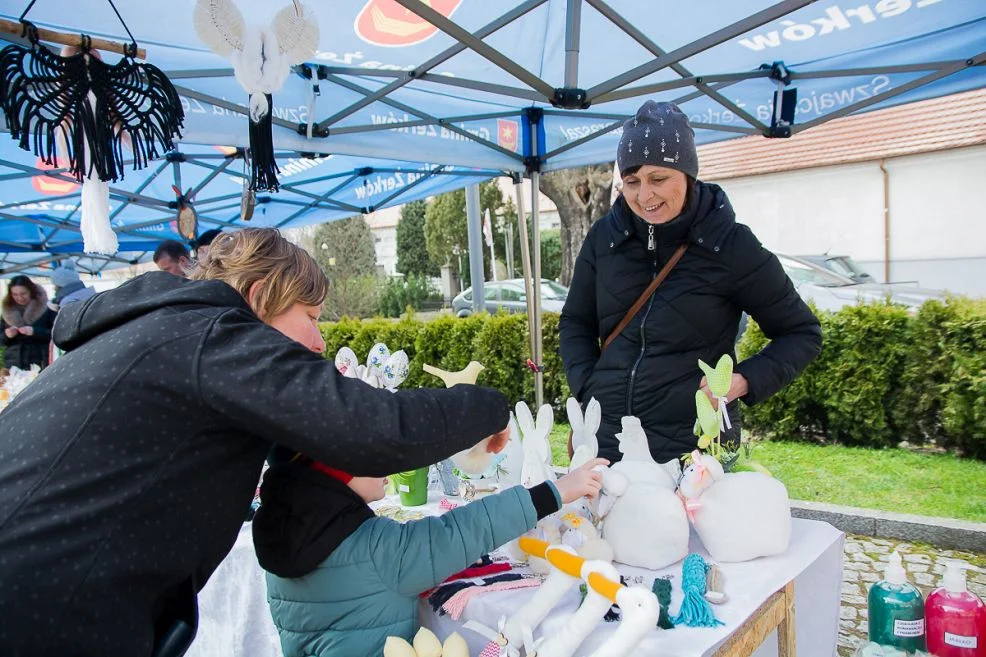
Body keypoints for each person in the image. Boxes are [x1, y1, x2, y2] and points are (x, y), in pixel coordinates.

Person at [0, 228, 512, 657]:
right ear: (261, 294)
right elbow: (375, 431)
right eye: (310, 316)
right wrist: (486, 405)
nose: (319, 340)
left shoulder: (165, 332)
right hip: (44, 605)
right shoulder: (214, 335)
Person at [559, 101, 822, 465]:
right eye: (632, 182)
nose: (644, 196)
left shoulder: (730, 244)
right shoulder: (604, 239)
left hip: (694, 446)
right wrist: (589, 387)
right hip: (607, 442)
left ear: (688, 174)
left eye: (659, 179)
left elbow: (801, 333)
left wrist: (742, 381)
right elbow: (575, 322)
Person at [254, 456, 607, 657]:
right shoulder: (379, 549)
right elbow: (462, 531)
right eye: (372, 453)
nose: (386, 461)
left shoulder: (287, 532)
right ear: (340, 473)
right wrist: (557, 491)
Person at [1, 274, 57, 370]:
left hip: (41, 363)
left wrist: (35, 331)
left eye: (23, 293)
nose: (20, 298)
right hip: (14, 366)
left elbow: (56, 335)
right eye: (15, 294)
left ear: (31, 291)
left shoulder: (47, 308)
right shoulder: (7, 311)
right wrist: (7, 335)